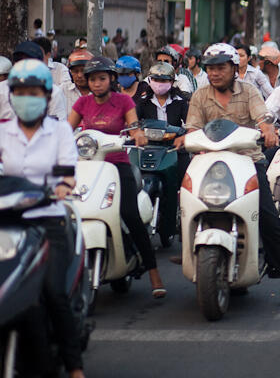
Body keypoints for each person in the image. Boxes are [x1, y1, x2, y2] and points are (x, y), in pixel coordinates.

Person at [175, 43, 280, 303]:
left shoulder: (249, 92)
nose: (214, 73)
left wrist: (268, 130)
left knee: (270, 217)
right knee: (185, 200)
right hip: (208, 161)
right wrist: (187, 138)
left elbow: (263, 118)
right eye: (210, 68)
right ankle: (188, 245)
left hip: (247, 161)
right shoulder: (200, 96)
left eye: (220, 68)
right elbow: (192, 127)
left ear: (234, 69)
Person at [0, 60, 85, 377]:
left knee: (50, 292)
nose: (27, 97)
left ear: (46, 95)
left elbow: (67, 173)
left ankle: (74, 365)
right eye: (20, 92)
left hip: (48, 221)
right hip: (8, 224)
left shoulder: (60, 131)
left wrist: (61, 188)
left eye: (33, 92)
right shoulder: (3, 132)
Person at [67, 57, 166, 298]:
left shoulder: (123, 101)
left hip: (118, 166)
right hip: (88, 167)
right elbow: (64, 131)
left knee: (129, 214)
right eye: (92, 79)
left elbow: (133, 126)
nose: (97, 83)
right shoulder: (82, 103)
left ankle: (154, 273)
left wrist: (138, 134)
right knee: (71, 213)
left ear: (111, 79)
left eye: (101, 78)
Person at [135, 62, 191, 243]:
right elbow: (133, 125)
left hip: (174, 150)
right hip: (148, 149)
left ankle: (183, 222)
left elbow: (190, 125)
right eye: (156, 79)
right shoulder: (142, 102)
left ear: (172, 82)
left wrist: (183, 136)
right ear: (150, 81)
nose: (160, 83)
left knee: (185, 184)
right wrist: (135, 134)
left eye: (164, 80)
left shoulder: (181, 103)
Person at [0, 41, 67, 120]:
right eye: (18, 60)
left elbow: (58, 126)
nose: (23, 64)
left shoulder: (54, 93)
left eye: (29, 61)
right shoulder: (1, 89)